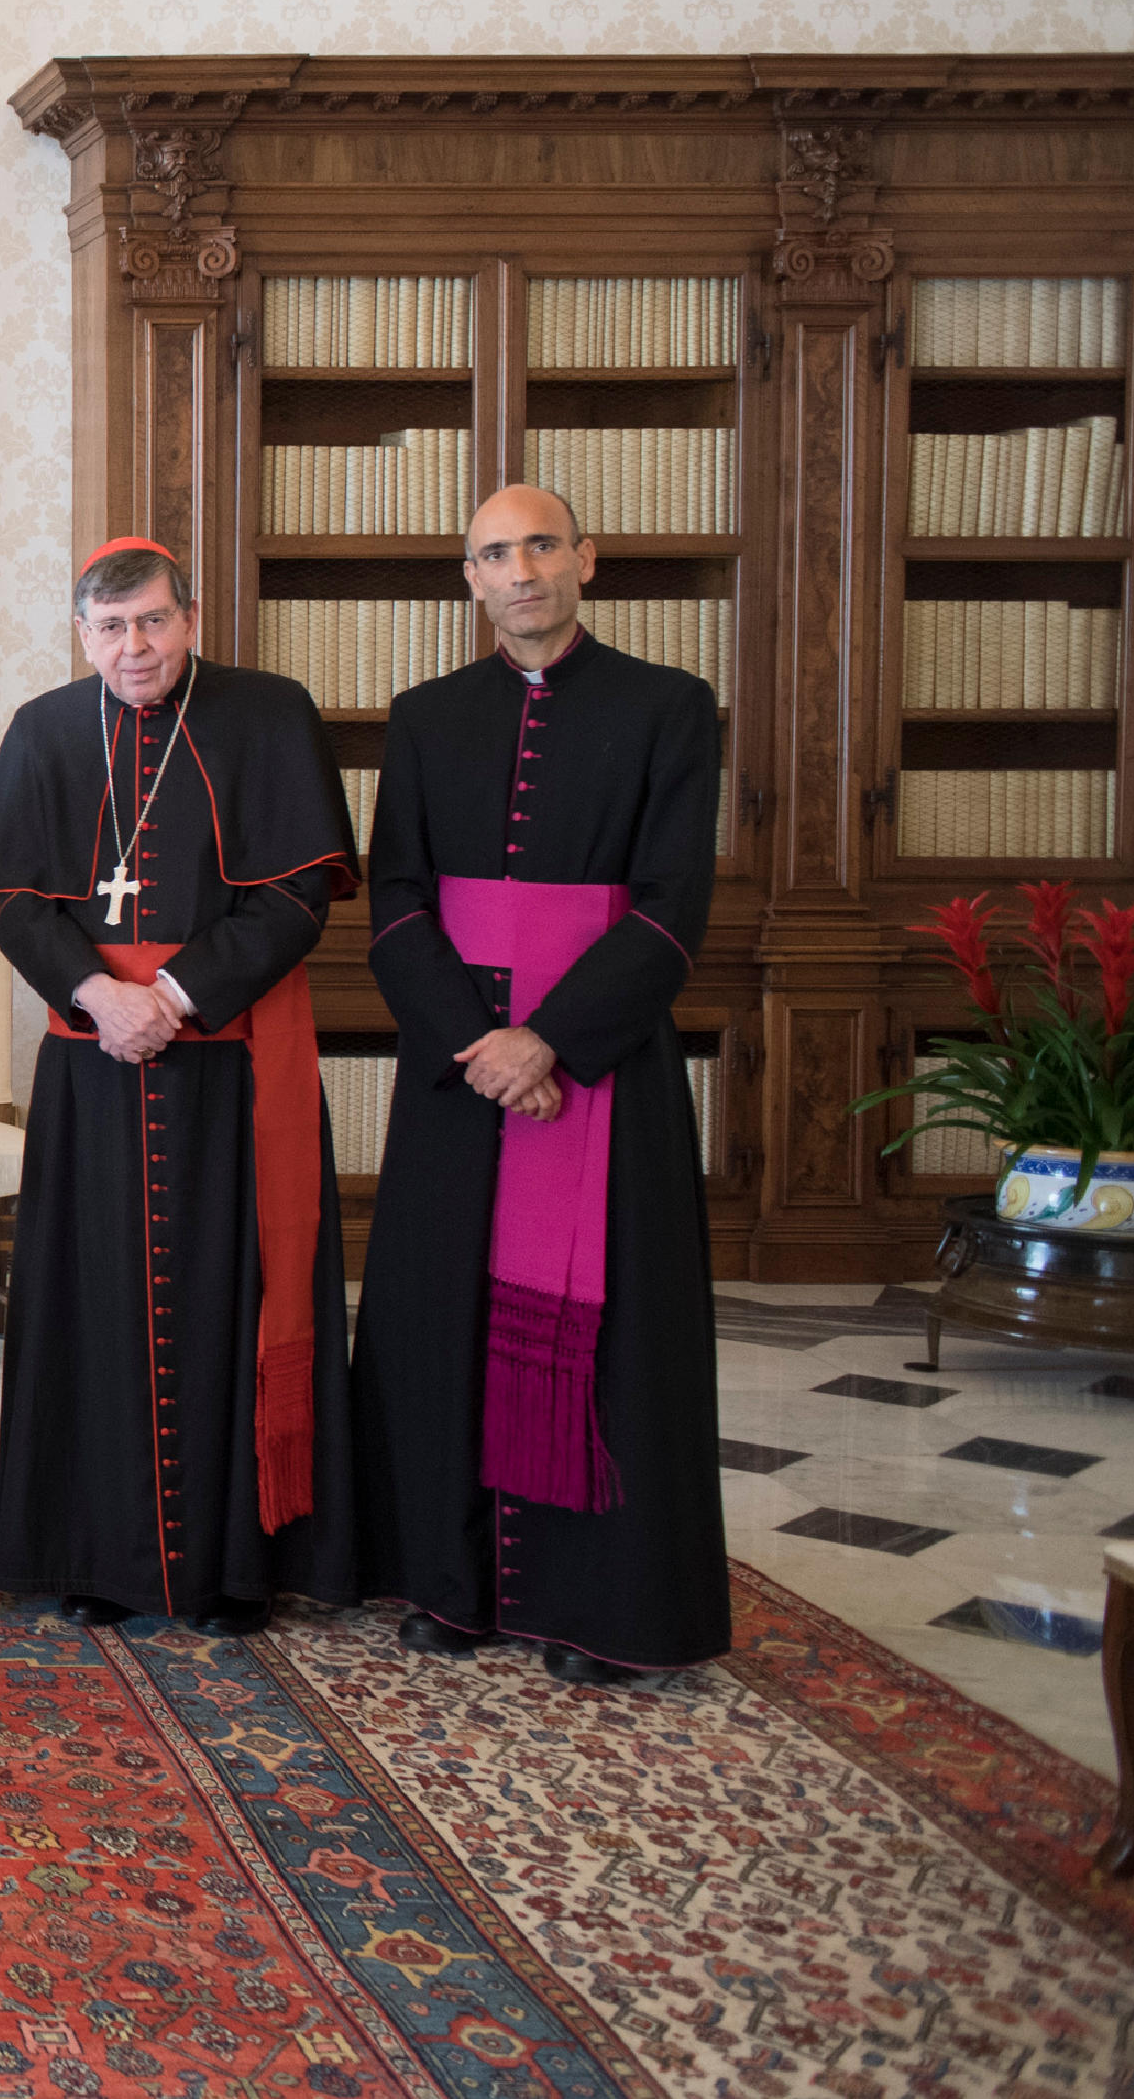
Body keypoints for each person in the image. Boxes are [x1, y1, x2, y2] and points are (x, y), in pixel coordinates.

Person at [352, 486, 726, 1685]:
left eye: (541, 546)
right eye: (494, 554)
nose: (521, 571)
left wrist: (549, 1042)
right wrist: (479, 1041)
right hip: (459, 1071)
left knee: (614, 1339)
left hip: (602, 1070)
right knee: (443, 1321)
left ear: (585, 560)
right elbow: (396, 901)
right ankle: (450, 1585)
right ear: (470, 579)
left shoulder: (670, 707)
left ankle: (598, 1607)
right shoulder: (425, 717)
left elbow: (671, 911)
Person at [0, 538, 360, 1636]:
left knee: (232, 1297)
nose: (132, 647)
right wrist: (101, 995)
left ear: (189, 619)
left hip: (228, 1067)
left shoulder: (268, 716)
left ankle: (234, 1569)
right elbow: (19, 907)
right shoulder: (46, 729)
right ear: (81, 635)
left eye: (151, 622)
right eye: (109, 628)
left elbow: (297, 898)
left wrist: (172, 998)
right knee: (91, 1305)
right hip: (92, 1064)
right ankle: (95, 1556)